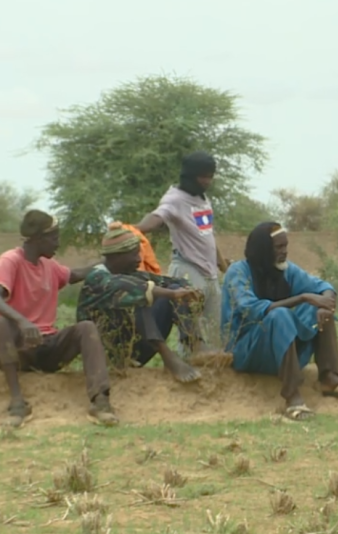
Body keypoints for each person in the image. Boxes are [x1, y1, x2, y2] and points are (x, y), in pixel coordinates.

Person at [222, 222, 338, 421]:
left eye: (286, 246)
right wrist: (303, 298)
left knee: (320, 309)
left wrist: (325, 302)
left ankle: (329, 378)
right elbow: (251, 308)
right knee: (279, 314)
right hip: (247, 351)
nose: (284, 252)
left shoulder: (286, 270)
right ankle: (292, 396)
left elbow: (323, 286)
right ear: (263, 250)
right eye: (278, 248)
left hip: (279, 351)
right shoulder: (238, 272)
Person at [0, 211, 118, 428]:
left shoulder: (49, 265)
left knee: (86, 328)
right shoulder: (10, 261)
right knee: (2, 323)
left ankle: (100, 401)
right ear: (38, 239)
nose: (58, 243)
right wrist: (22, 322)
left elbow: (73, 275)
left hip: (48, 346)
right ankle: (17, 402)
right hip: (21, 350)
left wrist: (107, 262)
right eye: (54, 238)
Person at [75, 227, 204, 383]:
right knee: (141, 298)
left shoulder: (128, 272)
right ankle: (168, 356)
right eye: (134, 254)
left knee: (174, 289)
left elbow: (169, 282)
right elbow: (125, 287)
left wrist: (187, 290)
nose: (139, 259)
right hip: (107, 354)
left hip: (135, 348)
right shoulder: (97, 278)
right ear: (116, 256)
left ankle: (195, 347)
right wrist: (171, 294)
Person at [133, 151, 230, 357]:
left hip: (209, 273)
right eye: (203, 176)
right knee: (191, 328)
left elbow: (207, 235)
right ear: (190, 175)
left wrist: (222, 265)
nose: (207, 181)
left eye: (210, 176)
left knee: (215, 330)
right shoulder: (175, 199)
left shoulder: (203, 199)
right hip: (188, 268)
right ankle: (187, 369)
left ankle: (215, 377)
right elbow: (158, 216)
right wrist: (136, 228)